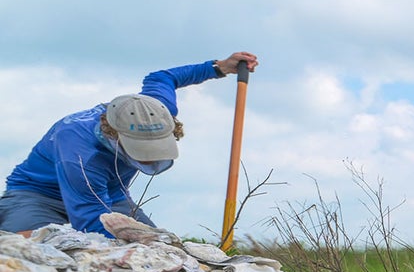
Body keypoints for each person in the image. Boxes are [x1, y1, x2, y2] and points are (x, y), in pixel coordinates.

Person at [0, 53, 259, 236]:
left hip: (112, 196)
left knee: (166, 249)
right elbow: (90, 220)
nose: (147, 160)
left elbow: (162, 77)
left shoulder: (152, 110)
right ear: (114, 136)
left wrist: (219, 67)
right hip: (38, 195)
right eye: (141, 152)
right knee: (29, 250)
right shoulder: (79, 152)